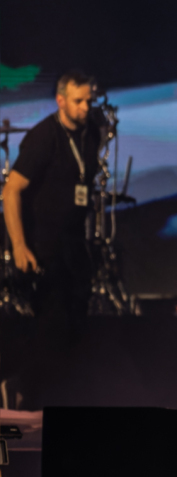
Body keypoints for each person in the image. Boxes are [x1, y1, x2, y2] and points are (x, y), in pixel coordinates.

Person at [2, 71, 101, 406]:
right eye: (79, 101)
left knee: (76, 329)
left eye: (90, 100)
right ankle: (30, 401)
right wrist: (19, 246)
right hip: (43, 248)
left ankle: (61, 403)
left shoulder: (91, 133)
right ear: (60, 101)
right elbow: (11, 190)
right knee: (50, 328)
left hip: (75, 248)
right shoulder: (44, 137)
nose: (86, 106)